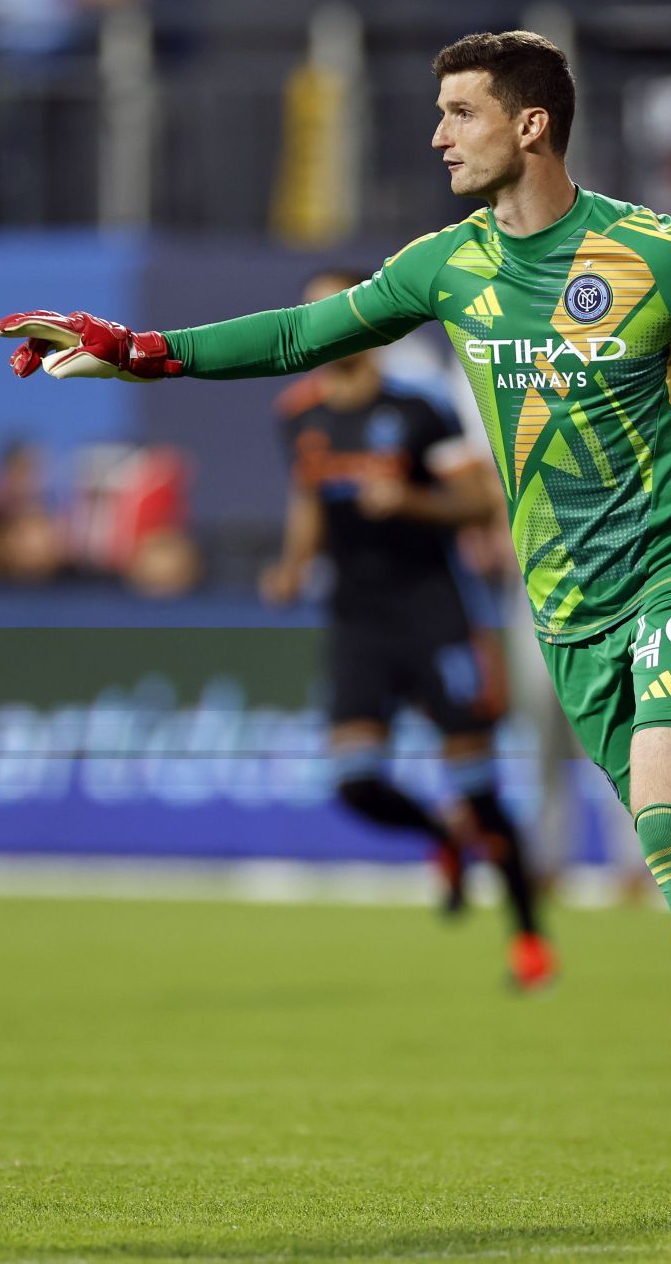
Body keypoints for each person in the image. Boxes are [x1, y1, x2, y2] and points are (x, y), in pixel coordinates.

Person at [0, 30, 671, 1218]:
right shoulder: (447, 266)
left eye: (459, 111)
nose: (438, 134)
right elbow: (300, 337)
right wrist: (142, 352)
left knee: (665, 820)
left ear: (531, 124)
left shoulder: (659, 253)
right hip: (568, 610)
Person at [261, 268, 553, 992]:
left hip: (435, 612)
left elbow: (483, 502)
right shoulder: (298, 414)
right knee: (354, 782)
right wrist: (294, 565)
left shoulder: (420, 410)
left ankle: (527, 939)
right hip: (357, 619)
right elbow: (308, 501)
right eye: (312, 312)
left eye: (337, 310)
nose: (323, 325)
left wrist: (412, 501)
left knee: (480, 788)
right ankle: (441, 837)